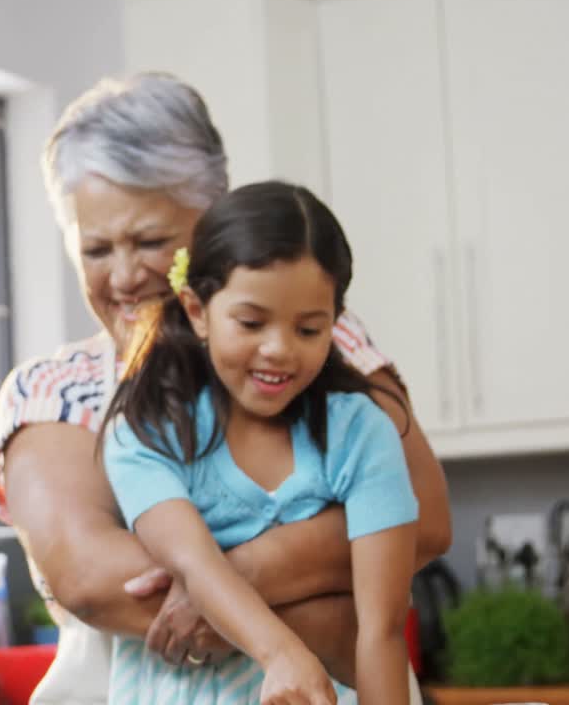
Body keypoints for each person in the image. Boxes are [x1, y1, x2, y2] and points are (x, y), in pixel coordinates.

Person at [0, 73, 451, 702]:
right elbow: (92, 579)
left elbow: (423, 518)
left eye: (150, 241)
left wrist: (227, 577)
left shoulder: (321, 348)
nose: (123, 275)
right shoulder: (53, 391)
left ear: (216, 220)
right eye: (95, 249)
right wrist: (318, 619)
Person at [102, 180, 418, 704]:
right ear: (198, 311)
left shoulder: (361, 433)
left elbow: (381, 630)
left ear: (335, 324)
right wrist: (281, 653)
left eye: (309, 330)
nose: (279, 350)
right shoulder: (149, 433)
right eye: (251, 322)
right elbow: (194, 565)